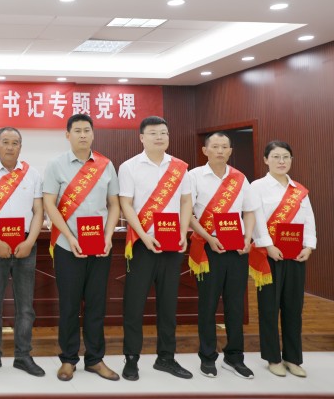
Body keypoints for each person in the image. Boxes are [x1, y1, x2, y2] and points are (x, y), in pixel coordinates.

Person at [43, 114, 120, 382]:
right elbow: (49, 204)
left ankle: (95, 359)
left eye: (87, 130)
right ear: (68, 135)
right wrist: (69, 236)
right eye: (77, 130)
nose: (83, 135)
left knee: (96, 305)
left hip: (100, 246)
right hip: (67, 246)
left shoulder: (106, 165)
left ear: (93, 134)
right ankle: (68, 359)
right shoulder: (56, 165)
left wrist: (108, 236)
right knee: (69, 305)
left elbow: (114, 204)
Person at [118, 116, 193, 381]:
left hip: (172, 245)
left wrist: (183, 232)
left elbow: (186, 202)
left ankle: (166, 358)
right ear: (142, 137)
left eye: (163, 132)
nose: (159, 137)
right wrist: (143, 235)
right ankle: (131, 359)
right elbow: (126, 204)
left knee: (168, 304)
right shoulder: (129, 167)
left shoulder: (180, 167)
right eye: (153, 133)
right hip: (141, 245)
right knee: (134, 305)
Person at [0, 127, 45, 377]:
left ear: (20, 147)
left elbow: (38, 211)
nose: (10, 147)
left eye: (15, 143)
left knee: (25, 307)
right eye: (5, 142)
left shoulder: (32, 174)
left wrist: (30, 241)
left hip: (26, 246)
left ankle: (23, 356)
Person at [188, 132, 257, 379]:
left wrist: (248, 238)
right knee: (208, 305)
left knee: (235, 305)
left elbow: (249, 211)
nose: (219, 151)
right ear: (205, 150)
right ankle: (207, 357)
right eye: (215, 146)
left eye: (224, 147)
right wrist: (209, 238)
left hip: (237, 248)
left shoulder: (240, 178)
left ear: (230, 151)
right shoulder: (194, 176)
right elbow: (188, 214)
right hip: (208, 249)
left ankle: (234, 357)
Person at [249, 141, 316, 378]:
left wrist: (309, 246)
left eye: (286, 157)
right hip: (268, 256)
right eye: (276, 157)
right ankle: (273, 358)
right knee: (269, 308)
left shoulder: (299, 190)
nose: (281, 161)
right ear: (266, 160)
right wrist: (268, 245)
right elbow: (256, 218)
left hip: (296, 255)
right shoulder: (257, 187)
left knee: (293, 308)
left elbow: (308, 219)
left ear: (291, 160)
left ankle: (292, 358)